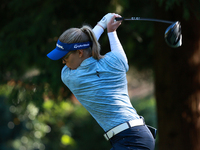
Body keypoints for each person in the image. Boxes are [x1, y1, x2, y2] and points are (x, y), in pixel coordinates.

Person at [47, 13, 155, 150]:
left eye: (65, 57)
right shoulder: (115, 62)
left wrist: (102, 25)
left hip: (131, 139)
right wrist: (110, 30)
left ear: (80, 53)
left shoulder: (69, 76)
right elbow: (90, 46)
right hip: (135, 136)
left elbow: (89, 44)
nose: (63, 62)